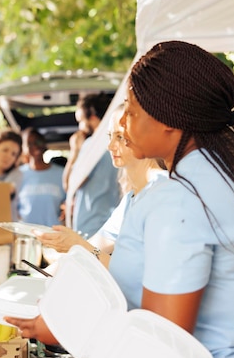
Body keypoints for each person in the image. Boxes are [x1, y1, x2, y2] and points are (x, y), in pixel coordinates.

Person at [7, 41, 234, 358]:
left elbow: (161, 345)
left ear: (167, 119)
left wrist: (60, 326)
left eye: (132, 110)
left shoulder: (177, 200)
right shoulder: (228, 178)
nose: (123, 121)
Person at [37, 105, 164, 255]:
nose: (110, 146)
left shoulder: (165, 190)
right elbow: (94, 249)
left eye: (120, 137)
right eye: (110, 136)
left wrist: (76, 245)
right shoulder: (129, 201)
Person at [65, 93, 121, 238]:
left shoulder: (92, 146)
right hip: (112, 227)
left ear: (93, 118)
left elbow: (69, 184)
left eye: (81, 120)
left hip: (89, 227)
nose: (79, 127)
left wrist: (74, 151)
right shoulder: (118, 145)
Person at [16, 127, 66, 226]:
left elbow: (71, 201)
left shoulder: (61, 173)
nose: (35, 146)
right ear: (23, 148)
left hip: (54, 233)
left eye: (38, 142)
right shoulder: (18, 174)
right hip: (26, 235)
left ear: (44, 143)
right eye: (29, 143)